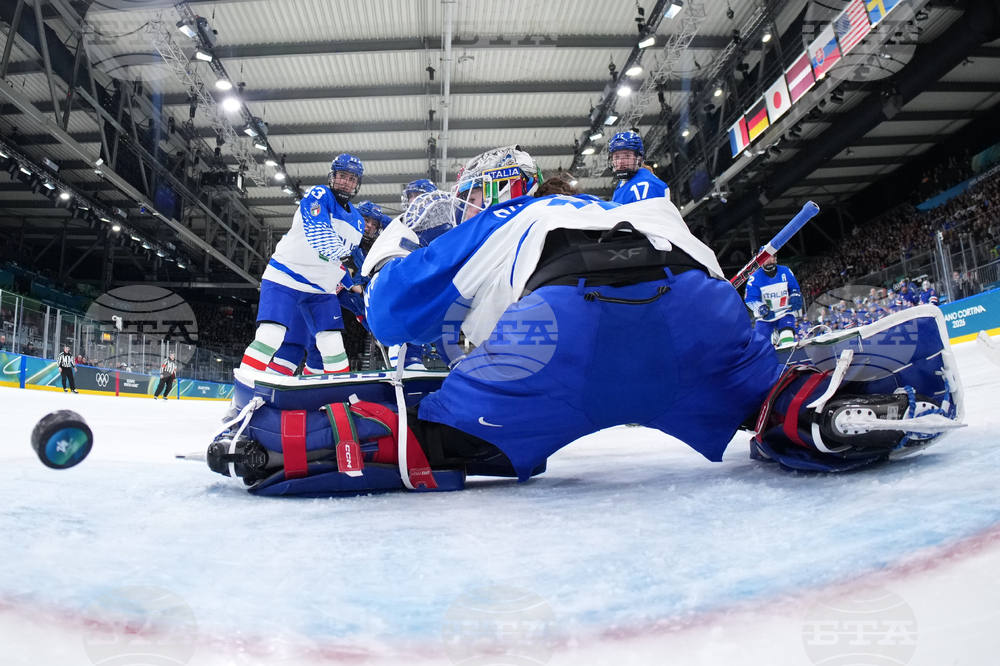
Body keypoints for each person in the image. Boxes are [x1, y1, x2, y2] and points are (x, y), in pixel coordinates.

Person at [207, 145, 964, 495]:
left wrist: (398, 250)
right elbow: (709, 281)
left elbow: (392, 314)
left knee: (434, 435)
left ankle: (276, 445)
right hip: (698, 314)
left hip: (559, 334)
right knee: (764, 399)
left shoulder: (501, 217)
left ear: (494, 189)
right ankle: (829, 406)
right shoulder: (637, 203)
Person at [240, 154, 366, 375]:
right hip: (285, 276)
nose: (346, 181)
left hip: (321, 289)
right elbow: (319, 234)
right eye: (342, 175)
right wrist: (342, 256)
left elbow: (336, 262)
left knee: (333, 343)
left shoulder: (358, 221)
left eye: (352, 178)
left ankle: (340, 397)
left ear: (357, 184)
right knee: (271, 335)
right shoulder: (319, 194)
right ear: (332, 176)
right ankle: (245, 390)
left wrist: (355, 283)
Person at [743, 252, 803, 348]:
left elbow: (794, 289)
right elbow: (750, 299)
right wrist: (761, 309)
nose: (769, 261)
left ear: (775, 258)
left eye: (771, 257)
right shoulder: (754, 278)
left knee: (787, 340)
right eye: (766, 259)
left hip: (785, 313)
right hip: (764, 319)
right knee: (760, 347)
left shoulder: (785, 271)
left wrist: (795, 297)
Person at [608, 131, 669, 205]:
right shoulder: (624, 184)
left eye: (627, 156)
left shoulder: (645, 184)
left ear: (639, 158)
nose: (621, 161)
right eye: (617, 157)